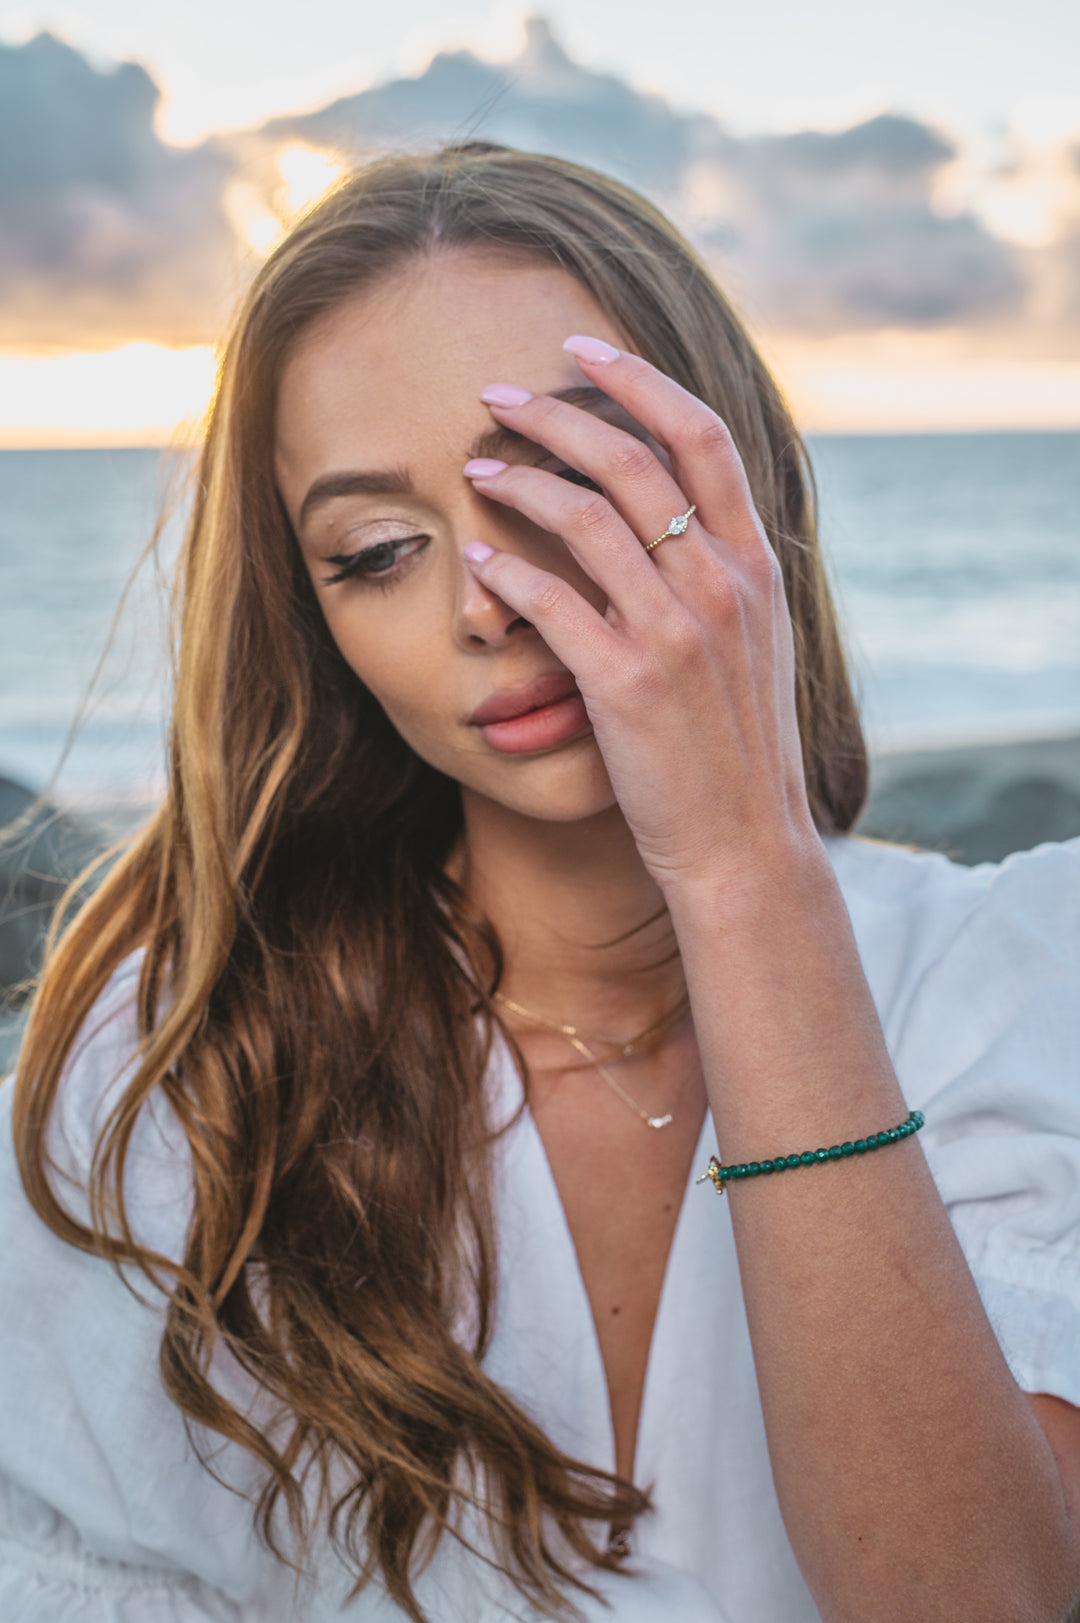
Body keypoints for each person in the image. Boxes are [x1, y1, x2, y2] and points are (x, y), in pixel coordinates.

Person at [1, 141, 1078, 1623]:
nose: (484, 605)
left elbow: (984, 1599)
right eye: (376, 551)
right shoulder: (183, 1067)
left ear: (737, 477)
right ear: (317, 621)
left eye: (566, 484)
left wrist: (743, 869)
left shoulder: (1022, 981)